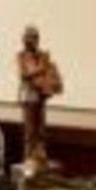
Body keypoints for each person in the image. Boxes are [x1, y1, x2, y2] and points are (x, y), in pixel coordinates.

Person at [18, 25, 63, 175]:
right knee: (30, 129)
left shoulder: (42, 55)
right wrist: (42, 68)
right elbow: (24, 75)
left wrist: (48, 73)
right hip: (28, 96)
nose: (30, 40)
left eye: (33, 38)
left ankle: (40, 154)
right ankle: (29, 157)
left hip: (41, 95)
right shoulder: (21, 56)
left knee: (41, 127)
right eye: (28, 37)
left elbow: (48, 71)